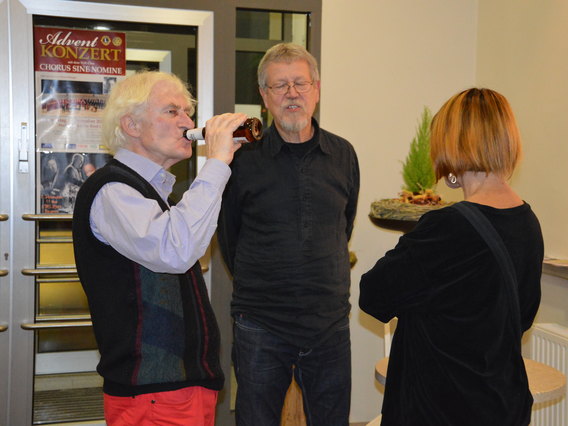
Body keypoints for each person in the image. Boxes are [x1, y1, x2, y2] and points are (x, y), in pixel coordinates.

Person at [359, 88, 543, 426]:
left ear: (453, 145)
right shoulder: (527, 221)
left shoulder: (447, 227)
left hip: (440, 406)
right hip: (499, 403)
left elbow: (373, 295)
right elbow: (524, 316)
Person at [72, 70, 247, 425]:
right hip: (153, 394)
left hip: (176, 389)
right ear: (131, 125)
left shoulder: (151, 193)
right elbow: (176, 251)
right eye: (172, 111)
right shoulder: (113, 190)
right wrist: (216, 164)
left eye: (188, 112)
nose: (188, 123)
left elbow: (183, 252)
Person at [218, 43, 360, 426]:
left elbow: (343, 225)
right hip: (261, 324)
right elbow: (229, 237)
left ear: (317, 89)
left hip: (329, 323)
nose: (292, 93)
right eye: (279, 86)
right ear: (264, 97)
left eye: (300, 83)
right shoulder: (240, 159)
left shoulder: (344, 155)